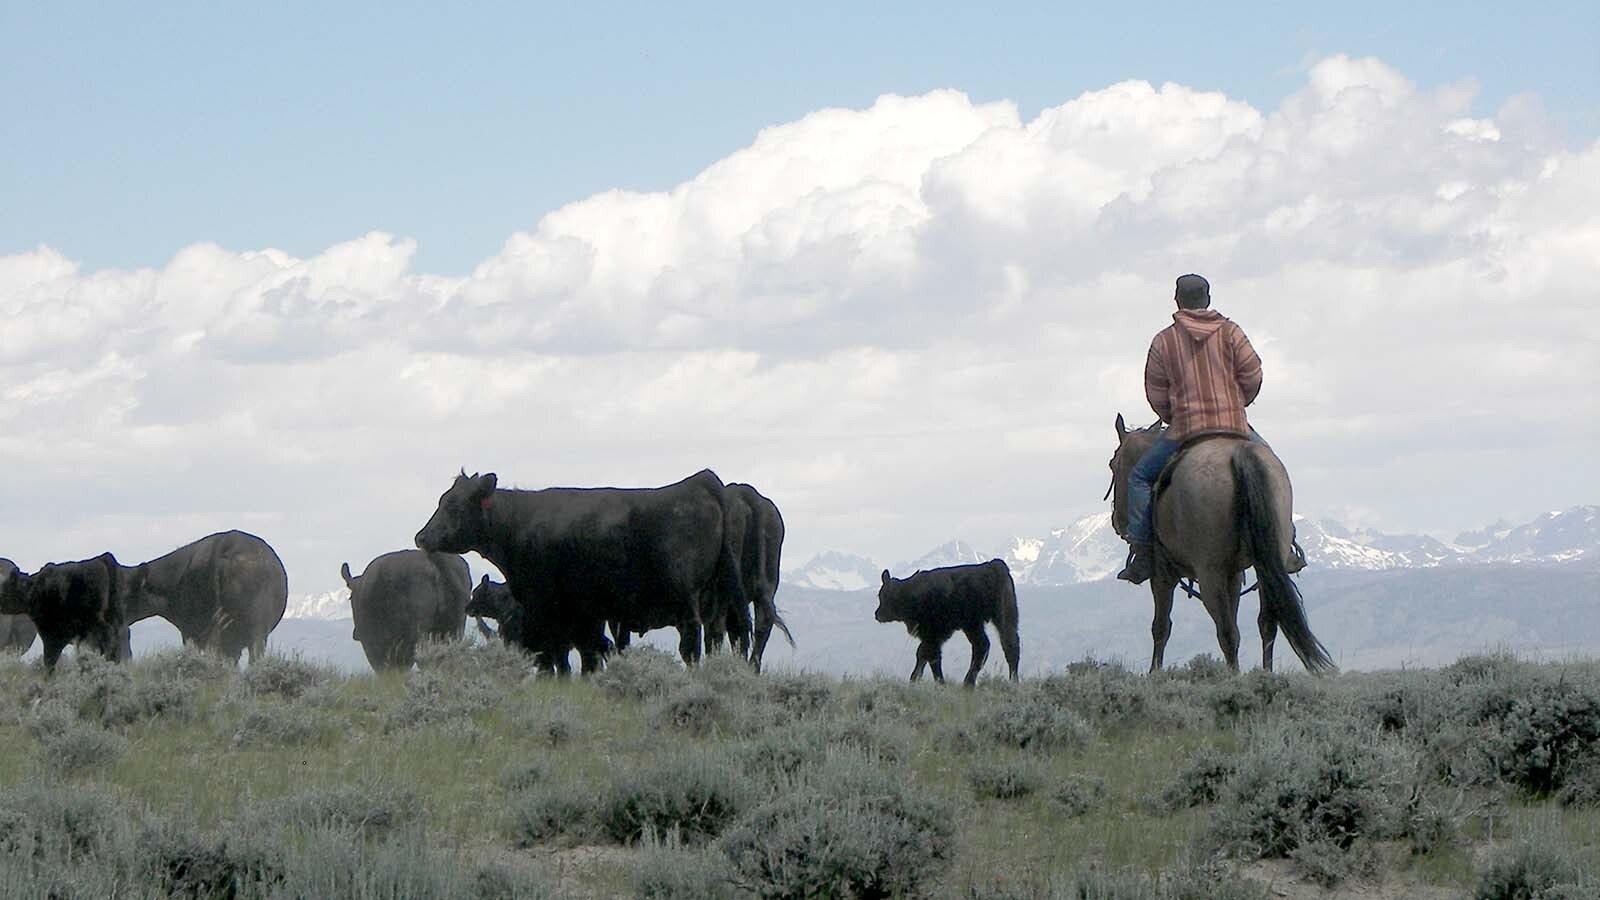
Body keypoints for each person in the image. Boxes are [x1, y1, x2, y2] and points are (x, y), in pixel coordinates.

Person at [1117, 274, 1303, 584]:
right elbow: (1253, 374)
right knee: (1274, 471)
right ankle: (1286, 545)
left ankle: (1144, 552)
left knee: (1139, 477)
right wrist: (1237, 404)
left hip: (1185, 430)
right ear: (1208, 299)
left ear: (1177, 301)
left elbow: (1155, 391)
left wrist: (1173, 415)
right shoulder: (1232, 332)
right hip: (1235, 425)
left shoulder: (1164, 341)